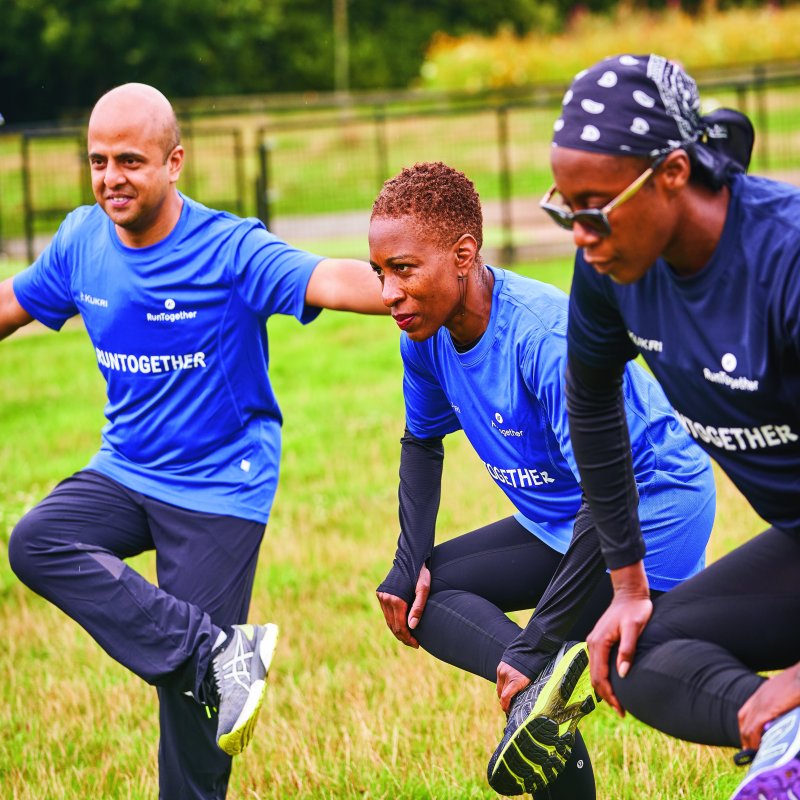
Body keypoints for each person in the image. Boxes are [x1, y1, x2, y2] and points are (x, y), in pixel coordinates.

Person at [3, 83, 386, 800]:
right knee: (37, 542)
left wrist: (418, 283)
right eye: (98, 161)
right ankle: (216, 651)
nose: (111, 178)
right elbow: (13, 301)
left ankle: (208, 671)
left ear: (174, 162)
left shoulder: (227, 248)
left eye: (130, 161)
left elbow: (327, 278)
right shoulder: (82, 240)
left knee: (189, 705)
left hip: (220, 482)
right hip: (126, 467)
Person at [369, 161, 716, 798]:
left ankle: (544, 686)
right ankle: (544, 697)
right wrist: (406, 562)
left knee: (561, 668)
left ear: (463, 255)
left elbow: (608, 497)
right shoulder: (423, 337)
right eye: (379, 273)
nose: (389, 292)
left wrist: (537, 643)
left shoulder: (544, 338)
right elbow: (421, 442)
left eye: (404, 269)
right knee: (427, 595)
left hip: (650, 506)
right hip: (561, 519)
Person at [542, 53, 800, 800]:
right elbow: (591, 399)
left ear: (674, 173)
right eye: (566, 210)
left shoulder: (784, 260)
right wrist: (627, 585)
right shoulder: (612, 270)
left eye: (595, 208)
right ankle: (787, 743)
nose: (581, 233)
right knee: (635, 653)